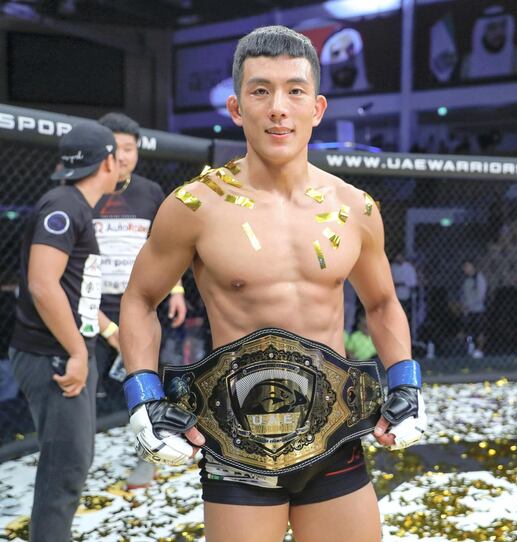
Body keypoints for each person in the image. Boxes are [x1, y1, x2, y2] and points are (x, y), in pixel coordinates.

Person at [119, 26, 427, 542]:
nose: (278, 107)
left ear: (317, 107)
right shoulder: (194, 206)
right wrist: (143, 396)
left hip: (335, 435)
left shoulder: (355, 208)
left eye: (295, 90)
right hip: (236, 444)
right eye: (261, 90)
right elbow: (140, 299)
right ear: (238, 108)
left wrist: (406, 382)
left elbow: (382, 302)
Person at [9, 122, 120, 542]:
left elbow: (74, 289)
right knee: (66, 469)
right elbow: (43, 282)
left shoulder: (70, 203)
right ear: (108, 160)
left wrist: (107, 330)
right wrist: (77, 351)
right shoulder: (64, 205)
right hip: (53, 356)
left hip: (62, 350)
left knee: (71, 464)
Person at [93, 112, 188, 488]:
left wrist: (177, 290)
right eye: (115, 148)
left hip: (141, 300)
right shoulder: (85, 191)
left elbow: (166, 247)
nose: (123, 155)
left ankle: (146, 459)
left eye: (129, 148)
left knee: (147, 387)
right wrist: (106, 326)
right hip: (91, 307)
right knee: (83, 386)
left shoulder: (149, 192)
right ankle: (77, 463)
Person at [460, 260, 488, 358]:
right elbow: (464, 294)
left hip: (478, 310)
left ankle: (480, 350)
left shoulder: (479, 278)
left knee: (479, 331)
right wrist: (464, 305)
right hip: (468, 311)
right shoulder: (466, 280)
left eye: (467, 266)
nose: (465, 269)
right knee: (468, 330)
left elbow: (481, 295)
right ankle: (470, 348)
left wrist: (470, 304)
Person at [391, 252, 418, 325]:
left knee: (405, 315)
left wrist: (402, 283)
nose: (398, 260)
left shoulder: (409, 267)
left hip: (406, 296)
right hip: (395, 296)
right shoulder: (393, 267)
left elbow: (413, 282)